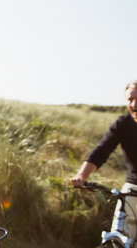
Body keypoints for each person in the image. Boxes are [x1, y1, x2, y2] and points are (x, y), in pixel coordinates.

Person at [71, 80, 137, 239]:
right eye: (130, 99)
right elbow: (102, 151)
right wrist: (82, 176)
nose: (134, 104)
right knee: (117, 238)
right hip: (131, 192)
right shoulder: (123, 124)